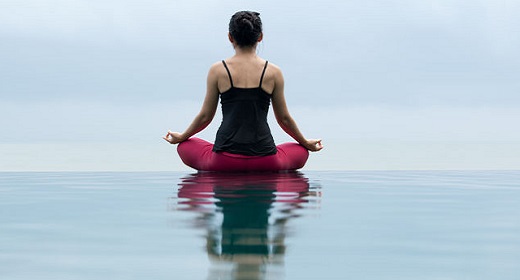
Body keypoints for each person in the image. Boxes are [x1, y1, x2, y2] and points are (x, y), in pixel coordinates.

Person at [163, 11, 323, 172]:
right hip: (266, 161)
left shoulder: (218, 70)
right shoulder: (273, 72)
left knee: (185, 146)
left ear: (230, 37)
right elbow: (284, 119)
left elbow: (205, 117)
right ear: (260, 37)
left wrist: (182, 136)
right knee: (300, 150)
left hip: (222, 161)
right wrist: (305, 142)